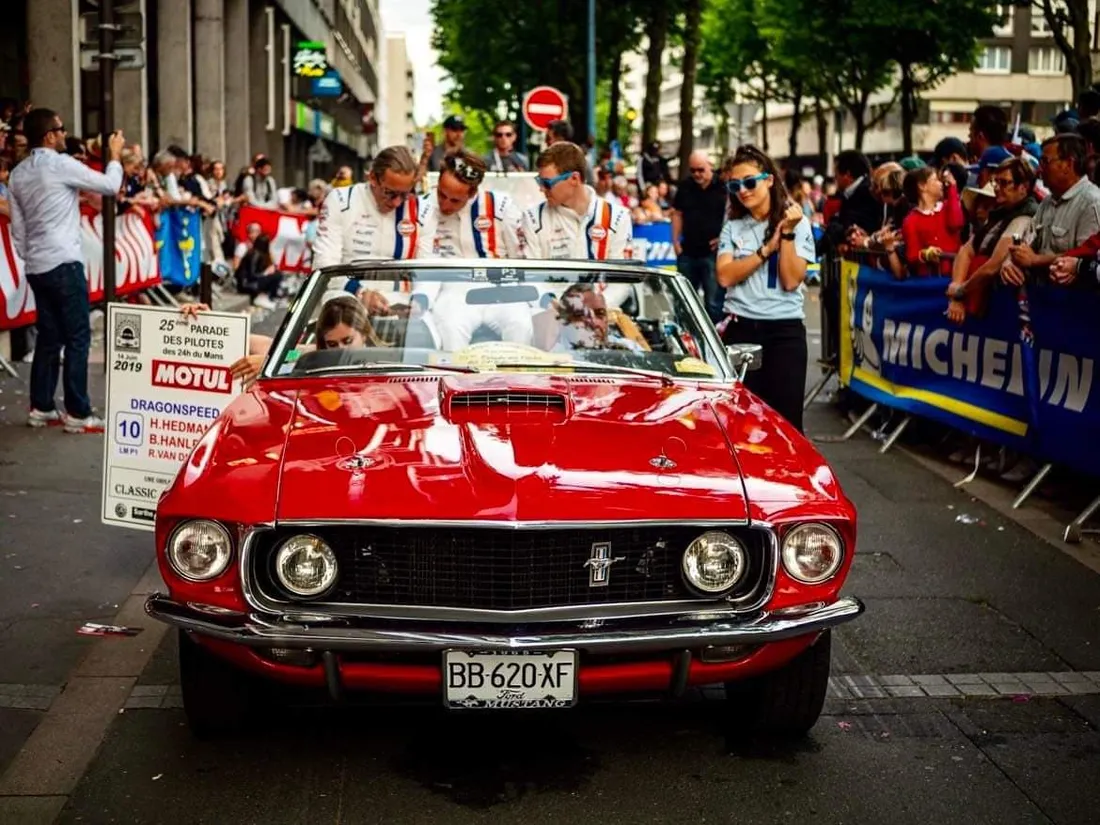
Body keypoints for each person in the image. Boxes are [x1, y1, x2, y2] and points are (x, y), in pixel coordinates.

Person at [9, 109, 126, 433]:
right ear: (49, 136)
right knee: (77, 337)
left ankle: (42, 407)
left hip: (37, 264)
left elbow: (18, 228)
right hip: (63, 260)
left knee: (49, 336)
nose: (64, 134)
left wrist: (30, 256)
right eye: (60, 129)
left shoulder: (18, 173)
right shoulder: (60, 164)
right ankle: (78, 412)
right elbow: (110, 185)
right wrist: (115, 155)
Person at [715, 144, 815, 433]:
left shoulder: (797, 222)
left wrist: (786, 234)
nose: (743, 191)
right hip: (741, 328)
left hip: (783, 330)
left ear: (769, 180)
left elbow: (791, 280)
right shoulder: (733, 225)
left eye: (749, 182)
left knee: (786, 426)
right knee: (740, 424)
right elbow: (724, 276)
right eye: (735, 185)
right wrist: (765, 250)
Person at [312, 144, 436, 267]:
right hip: (346, 279)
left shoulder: (421, 210)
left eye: (404, 194)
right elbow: (325, 262)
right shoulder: (341, 201)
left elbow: (425, 268)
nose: (397, 202)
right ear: (372, 178)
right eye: (389, 193)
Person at [522, 141, 632, 261]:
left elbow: (620, 271)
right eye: (539, 181)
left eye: (547, 183)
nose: (541, 189)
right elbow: (530, 272)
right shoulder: (533, 219)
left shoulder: (617, 217)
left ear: (574, 178)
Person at [671, 150, 726, 321]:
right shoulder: (685, 186)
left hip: (712, 253)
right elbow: (677, 213)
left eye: (701, 170)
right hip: (688, 251)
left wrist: (724, 238)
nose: (696, 174)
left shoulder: (723, 187)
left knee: (714, 303)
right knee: (684, 302)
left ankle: (715, 336)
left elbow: (733, 215)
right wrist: (675, 242)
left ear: (710, 166)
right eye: (693, 170)